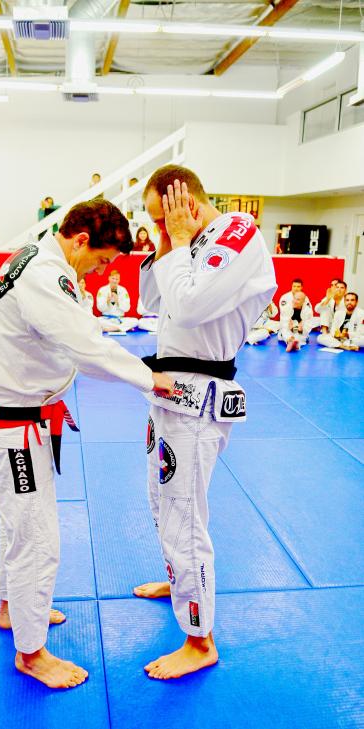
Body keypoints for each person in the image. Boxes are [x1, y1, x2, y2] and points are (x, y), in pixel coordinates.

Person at [0, 198, 173, 689]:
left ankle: (12, 608)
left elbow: (72, 344)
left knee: (17, 526)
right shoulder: (43, 274)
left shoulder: (36, 257)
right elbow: (87, 348)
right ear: (81, 240)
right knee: (37, 539)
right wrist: (150, 379)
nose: (101, 271)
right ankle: (31, 653)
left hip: (17, 418)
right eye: (101, 260)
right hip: (12, 428)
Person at [133, 165, 276, 680]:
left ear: (185, 201)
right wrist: (168, 242)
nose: (159, 226)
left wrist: (177, 239)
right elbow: (151, 301)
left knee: (185, 515)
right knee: (161, 500)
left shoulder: (238, 232)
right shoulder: (186, 242)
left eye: (162, 216)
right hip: (167, 391)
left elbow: (190, 307)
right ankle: (180, 580)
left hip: (200, 397)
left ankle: (200, 639)